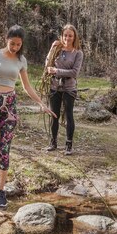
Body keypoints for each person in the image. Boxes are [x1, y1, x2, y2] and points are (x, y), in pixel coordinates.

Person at [0, 25, 56, 208]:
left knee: (4, 149)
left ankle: (0, 190)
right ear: (6, 39)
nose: (15, 47)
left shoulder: (21, 60)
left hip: (9, 106)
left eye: (18, 45)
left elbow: (27, 86)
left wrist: (41, 103)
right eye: (12, 43)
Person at [44, 24, 83, 155]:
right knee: (54, 114)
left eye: (70, 35)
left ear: (74, 37)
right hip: (54, 86)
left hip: (69, 88)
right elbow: (47, 64)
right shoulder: (57, 49)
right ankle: (53, 142)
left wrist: (57, 71)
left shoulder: (78, 53)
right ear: (62, 36)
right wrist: (52, 48)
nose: (67, 38)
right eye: (65, 35)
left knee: (69, 115)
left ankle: (69, 144)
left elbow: (74, 73)